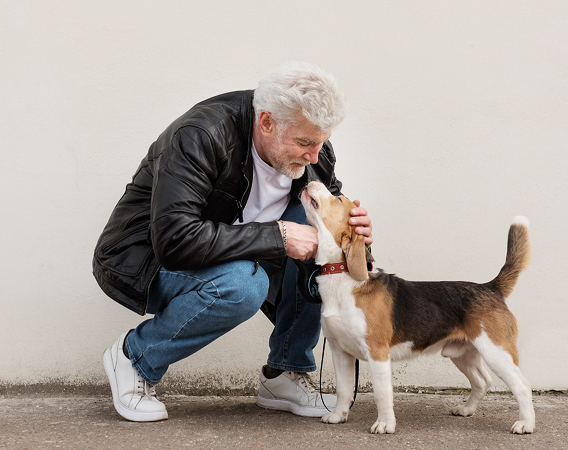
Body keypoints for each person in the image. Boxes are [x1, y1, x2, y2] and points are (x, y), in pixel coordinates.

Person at [93, 61, 373, 422]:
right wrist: (278, 236)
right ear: (266, 122)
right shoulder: (202, 135)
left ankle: (285, 373)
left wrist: (356, 239)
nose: (315, 155)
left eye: (321, 142)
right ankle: (135, 357)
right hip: (150, 260)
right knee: (244, 285)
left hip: (235, 254)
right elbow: (175, 240)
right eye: (305, 143)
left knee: (317, 229)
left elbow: (336, 240)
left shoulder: (314, 154)